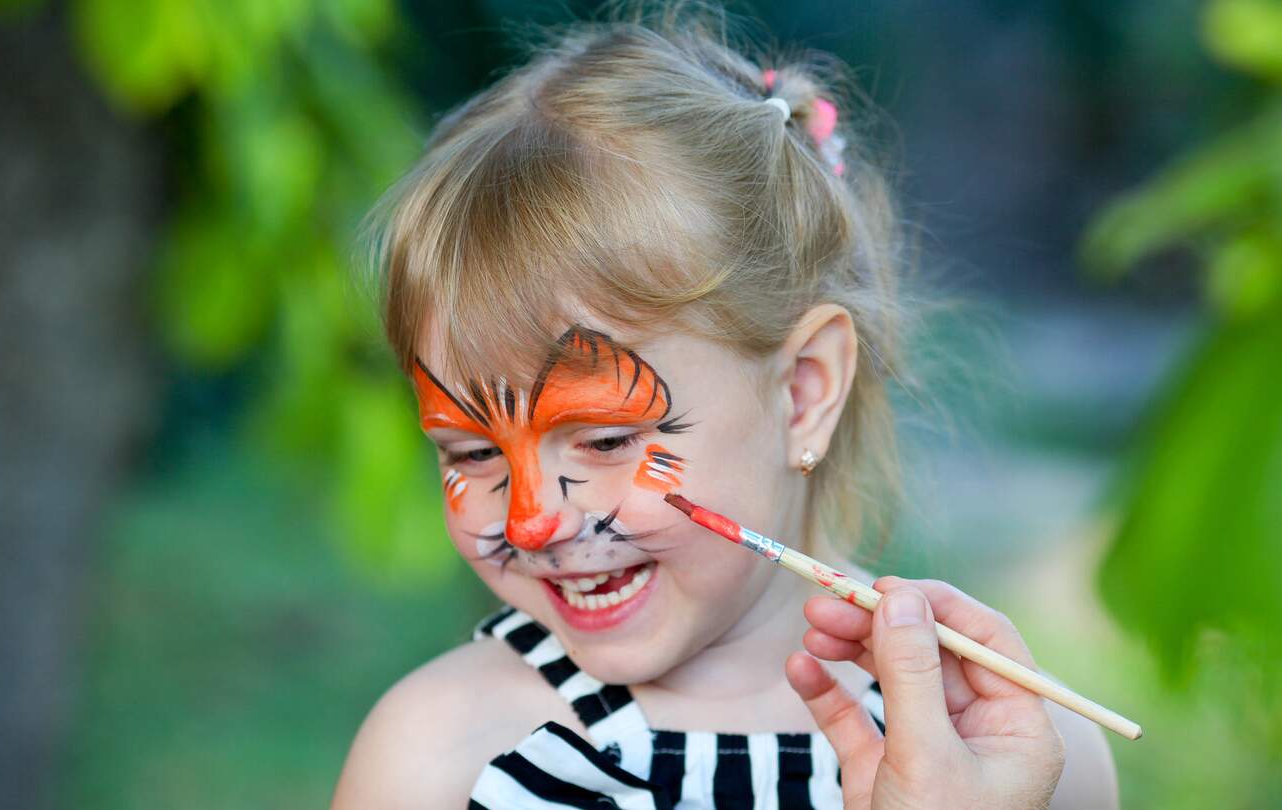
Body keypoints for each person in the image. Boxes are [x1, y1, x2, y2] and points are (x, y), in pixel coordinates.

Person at [332, 3, 1118, 807]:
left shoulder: (1022, 761)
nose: (532, 520)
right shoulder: (437, 762)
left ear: (804, 391)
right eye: (473, 453)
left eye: (604, 440)